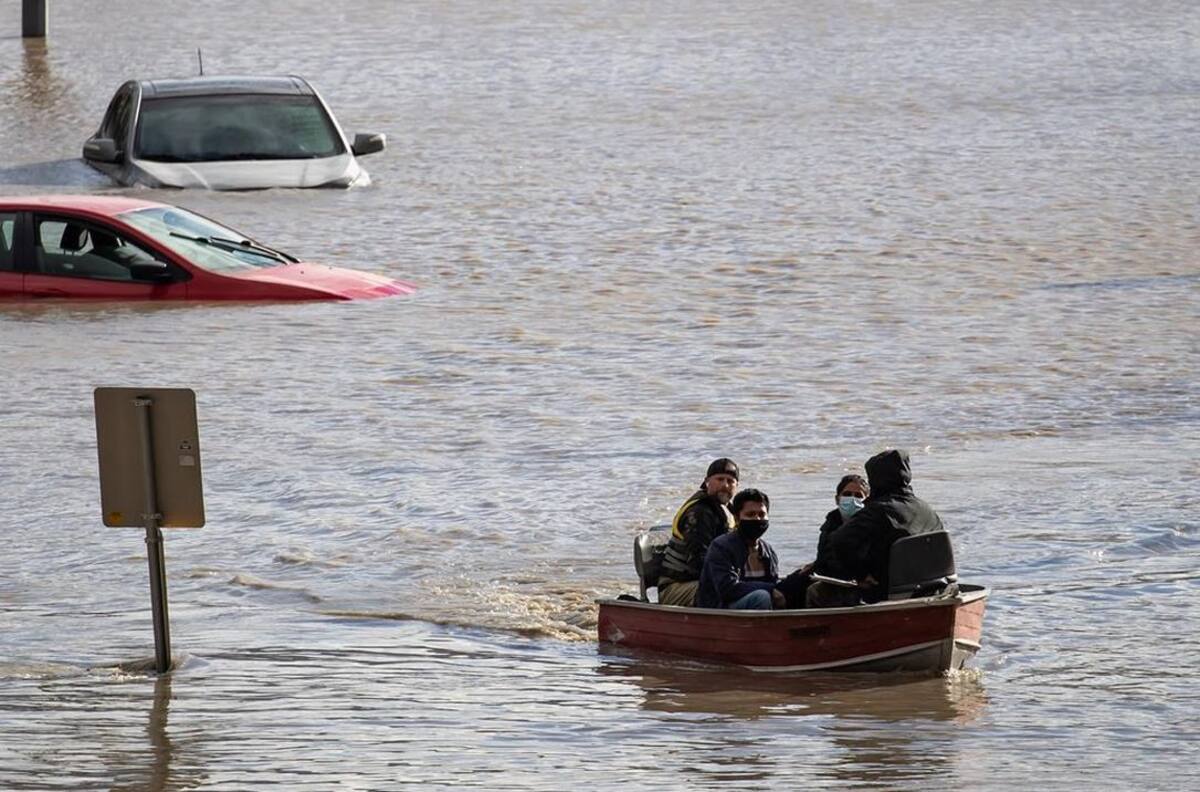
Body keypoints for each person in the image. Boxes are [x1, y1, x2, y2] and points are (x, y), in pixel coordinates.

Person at [807, 449, 944, 607]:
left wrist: (860, 575)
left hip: (886, 592)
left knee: (816, 591)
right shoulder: (926, 510)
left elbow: (839, 540)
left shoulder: (877, 510)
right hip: (932, 588)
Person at [773, 472, 869, 608]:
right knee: (781, 591)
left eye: (858, 496)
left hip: (847, 581)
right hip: (824, 573)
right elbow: (824, 557)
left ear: (867, 500)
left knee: (814, 591)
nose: (852, 499)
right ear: (837, 499)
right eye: (847, 494)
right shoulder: (830, 523)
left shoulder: (868, 525)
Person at [657, 458, 739, 606]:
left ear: (736, 486)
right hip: (677, 587)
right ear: (707, 482)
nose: (725, 485)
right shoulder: (700, 513)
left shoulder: (730, 512)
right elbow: (699, 561)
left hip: (702, 582)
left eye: (730, 481)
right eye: (719, 479)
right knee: (727, 590)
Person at [697, 489, 786, 610]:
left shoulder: (768, 551)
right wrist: (769, 589)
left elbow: (774, 584)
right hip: (721, 608)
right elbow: (728, 589)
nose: (758, 519)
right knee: (762, 597)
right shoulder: (721, 547)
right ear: (737, 518)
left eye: (762, 514)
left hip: (752, 604)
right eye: (750, 515)